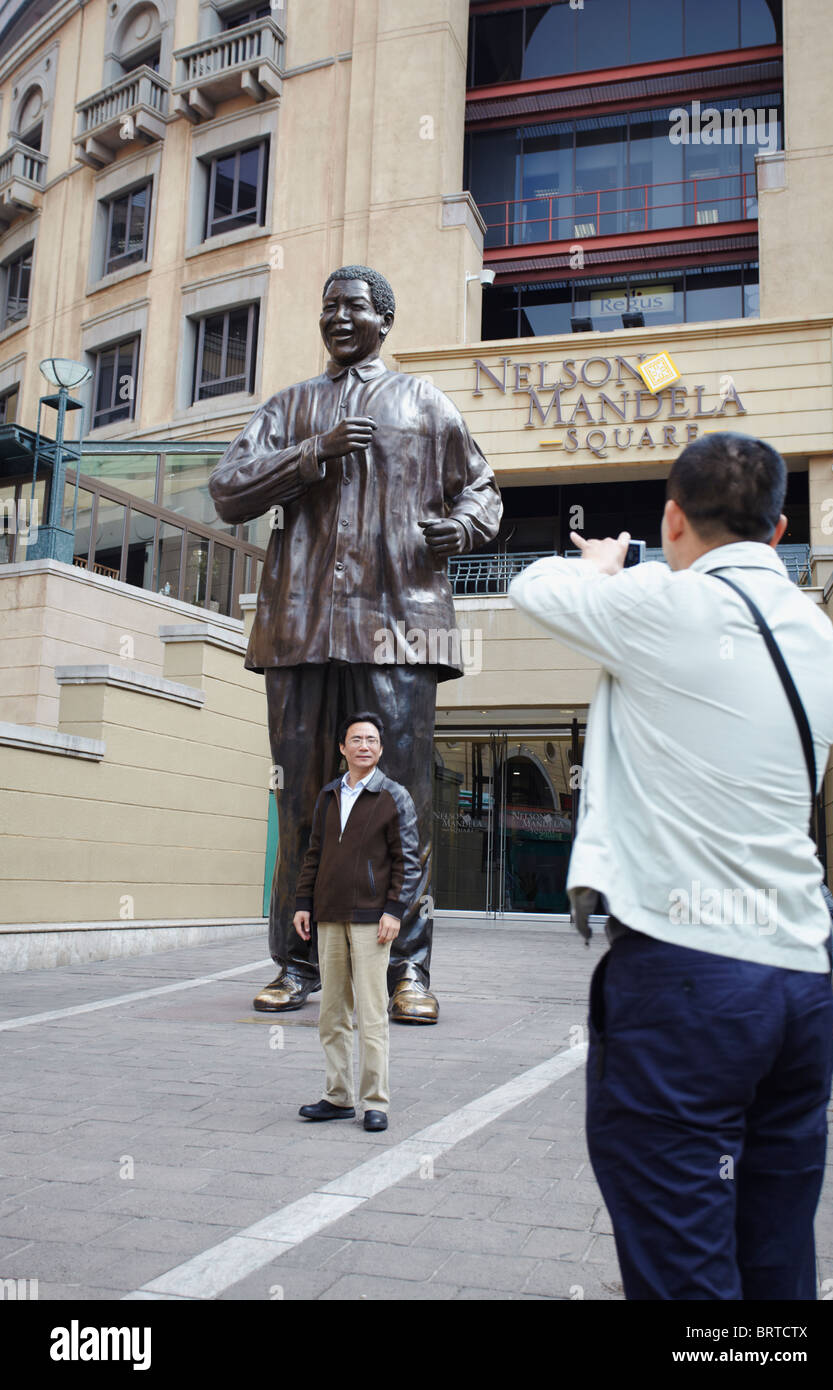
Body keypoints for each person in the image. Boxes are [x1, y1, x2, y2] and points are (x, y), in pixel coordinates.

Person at [509, 431, 833, 1301]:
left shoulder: (662, 603)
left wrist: (602, 563)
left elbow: (530, 585)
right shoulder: (816, 635)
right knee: (775, 1254)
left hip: (690, 983)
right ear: (777, 530)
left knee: (683, 1266)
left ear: (671, 519)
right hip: (800, 985)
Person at [209, 266, 502, 1022]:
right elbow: (229, 487)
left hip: (396, 623)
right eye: (328, 306)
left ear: (385, 319)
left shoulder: (424, 404)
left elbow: (483, 491)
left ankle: (407, 969)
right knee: (303, 801)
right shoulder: (290, 407)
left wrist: (460, 529)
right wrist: (311, 453)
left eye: (355, 307)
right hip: (302, 626)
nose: (338, 318)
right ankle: (296, 962)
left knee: (397, 801)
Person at [294, 712, 420, 1131]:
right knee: (331, 1013)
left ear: (380, 749)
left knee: (370, 1013)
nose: (364, 746)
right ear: (343, 748)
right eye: (356, 739)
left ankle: (374, 1102)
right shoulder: (329, 795)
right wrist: (303, 902)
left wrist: (394, 911)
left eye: (371, 740)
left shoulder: (393, 796)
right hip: (329, 917)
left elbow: (408, 862)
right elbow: (314, 854)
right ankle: (337, 1096)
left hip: (372, 920)